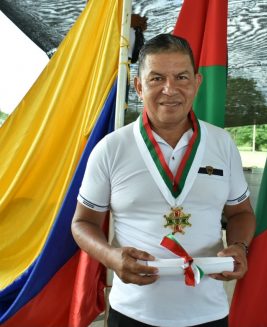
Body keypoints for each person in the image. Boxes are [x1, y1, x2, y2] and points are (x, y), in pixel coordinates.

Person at [71, 34, 256, 326]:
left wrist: (239, 247)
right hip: (132, 312)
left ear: (197, 82)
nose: (170, 89)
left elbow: (241, 213)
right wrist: (111, 257)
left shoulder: (222, 144)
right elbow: (82, 223)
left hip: (209, 313)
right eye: (156, 78)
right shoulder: (111, 147)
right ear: (138, 86)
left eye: (181, 77)